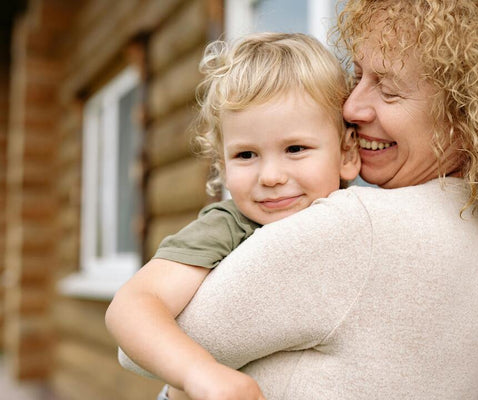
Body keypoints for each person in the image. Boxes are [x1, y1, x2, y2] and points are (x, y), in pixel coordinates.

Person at [112, 0, 478, 399]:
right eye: (359, 75)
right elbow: (138, 315)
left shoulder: (357, 228)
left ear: (467, 113)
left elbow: (133, 353)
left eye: (386, 89)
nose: (351, 106)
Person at [105, 32, 360, 400]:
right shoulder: (229, 226)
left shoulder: (362, 218)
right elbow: (131, 306)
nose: (270, 176)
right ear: (221, 166)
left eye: (295, 148)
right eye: (245, 155)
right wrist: (199, 374)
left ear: (347, 153)